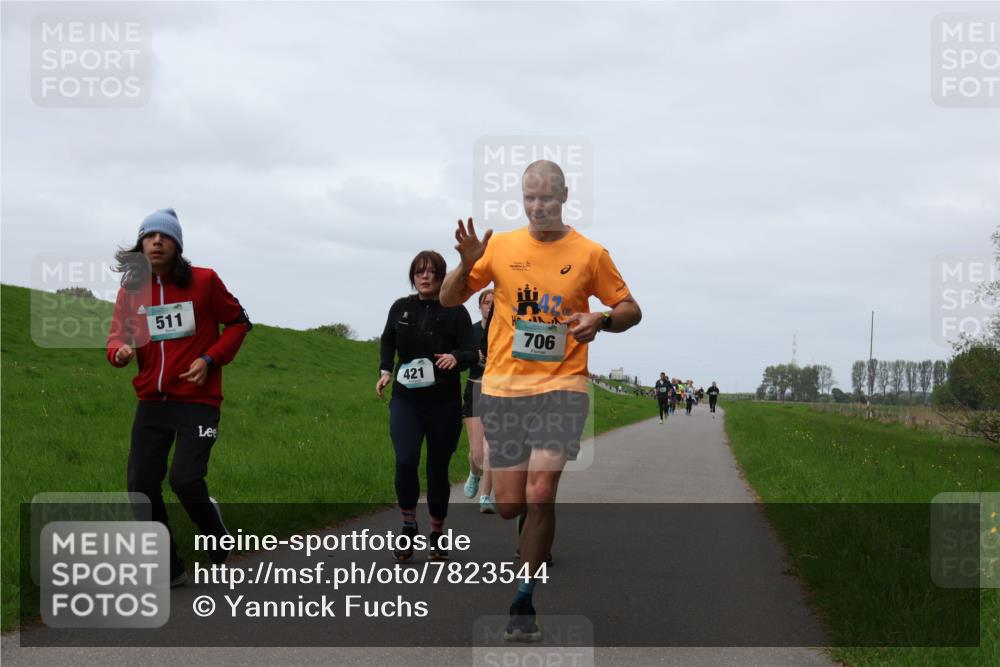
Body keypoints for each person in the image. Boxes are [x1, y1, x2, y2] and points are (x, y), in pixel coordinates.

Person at [440, 160, 642, 641]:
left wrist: (602, 321)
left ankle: (523, 599)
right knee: (510, 505)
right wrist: (468, 263)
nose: (537, 206)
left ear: (565, 195)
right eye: (530, 197)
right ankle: (532, 530)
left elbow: (631, 309)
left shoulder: (590, 254)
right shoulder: (501, 247)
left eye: (547, 197)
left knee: (540, 492)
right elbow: (449, 299)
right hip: (506, 389)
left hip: (563, 386)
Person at [107, 208, 252, 587]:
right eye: (149, 236)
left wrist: (210, 359)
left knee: (185, 480)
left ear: (178, 245)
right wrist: (119, 350)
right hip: (152, 403)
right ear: (140, 245)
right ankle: (169, 566)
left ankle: (216, 535)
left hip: (197, 401)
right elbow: (117, 336)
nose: (156, 242)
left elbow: (239, 322)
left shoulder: (204, 282)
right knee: (140, 486)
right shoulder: (130, 291)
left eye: (165, 236)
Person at [376, 250, 477, 562]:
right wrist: (385, 370)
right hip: (406, 400)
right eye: (419, 271)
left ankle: (437, 531)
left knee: (437, 469)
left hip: (443, 404)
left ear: (442, 276)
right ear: (413, 275)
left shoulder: (456, 312)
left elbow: (472, 352)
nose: (425, 276)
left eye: (432, 271)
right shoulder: (401, 307)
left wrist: (456, 358)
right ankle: (408, 527)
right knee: (405, 460)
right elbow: (387, 340)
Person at [463, 289, 497, 513]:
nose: (490, 307)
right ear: (480, 306)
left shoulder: (505, 331)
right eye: (486, 303)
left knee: (491, 449)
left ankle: (485, 497)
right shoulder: (470, 331)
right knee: (476, 452)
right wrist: (474, 355)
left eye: (495, 304)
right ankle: (474, 473)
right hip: (475, 389)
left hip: (498, 393)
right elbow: (462, 359)